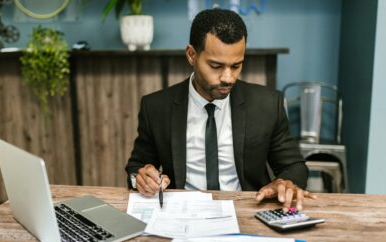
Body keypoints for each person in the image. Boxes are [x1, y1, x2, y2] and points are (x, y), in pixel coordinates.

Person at [125, 8, 316, 211]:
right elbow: (136, 168)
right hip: (182, 212)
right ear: (191, 55)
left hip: (248, 211)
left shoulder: (268, 105)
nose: (228, 77)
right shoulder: (156, 107)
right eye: (216, 66)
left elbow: (294, 166)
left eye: (236, 66)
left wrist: (285, 182)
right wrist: (141, 178)